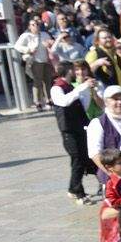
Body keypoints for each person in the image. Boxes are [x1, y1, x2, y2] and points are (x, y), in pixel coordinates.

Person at [52, 59, 99, 203]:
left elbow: (82, 104)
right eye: (73, 70)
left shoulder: (71, 86)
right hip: (69, 130)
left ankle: (75, 189)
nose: (75, 72)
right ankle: (78, 192)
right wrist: (82, 87)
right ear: (68, 71)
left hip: (79, 127)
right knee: (77, 159)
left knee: (83, 158)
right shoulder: (57, 88)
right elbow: (64, 102)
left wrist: (88, 89)